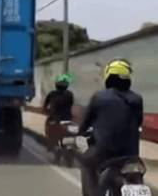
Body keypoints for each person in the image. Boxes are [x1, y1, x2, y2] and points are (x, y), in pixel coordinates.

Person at [78, 58, 143, 196]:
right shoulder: (137, 99)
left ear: (108, 76)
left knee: (85, 162)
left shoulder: (99, 97)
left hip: (105, 153)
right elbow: (138, 122)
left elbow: (84, 124)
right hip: (131, 155)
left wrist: (81, 132)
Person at [43, 74, 74, 151]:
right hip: (67, 118)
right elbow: (71, 104)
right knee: (69, 134)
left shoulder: (52, 94)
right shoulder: (69, 94)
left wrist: (46, 111)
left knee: (49, 131)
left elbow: (45, 105)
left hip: (54, 119)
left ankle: (51, 145)